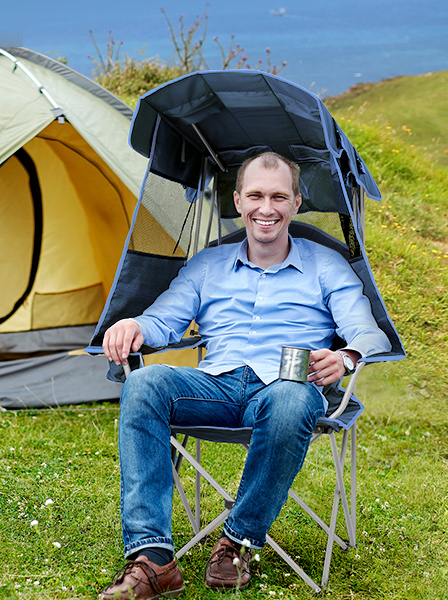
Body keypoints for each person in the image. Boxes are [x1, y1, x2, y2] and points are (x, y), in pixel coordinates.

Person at [96, 151, 391, 599]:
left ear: (295, 203)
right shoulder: (207, 265)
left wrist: (345, 357)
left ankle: (236, 542)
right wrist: (134, 325)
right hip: (214, 385)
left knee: (292, 399)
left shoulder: (326, 265)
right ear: (237, 200)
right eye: (255, 195)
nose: (266, 209)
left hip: (286, 388)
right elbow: (164, 321)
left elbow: (371, 334)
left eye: (278, 197)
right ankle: (153, 559)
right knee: (143, 382)